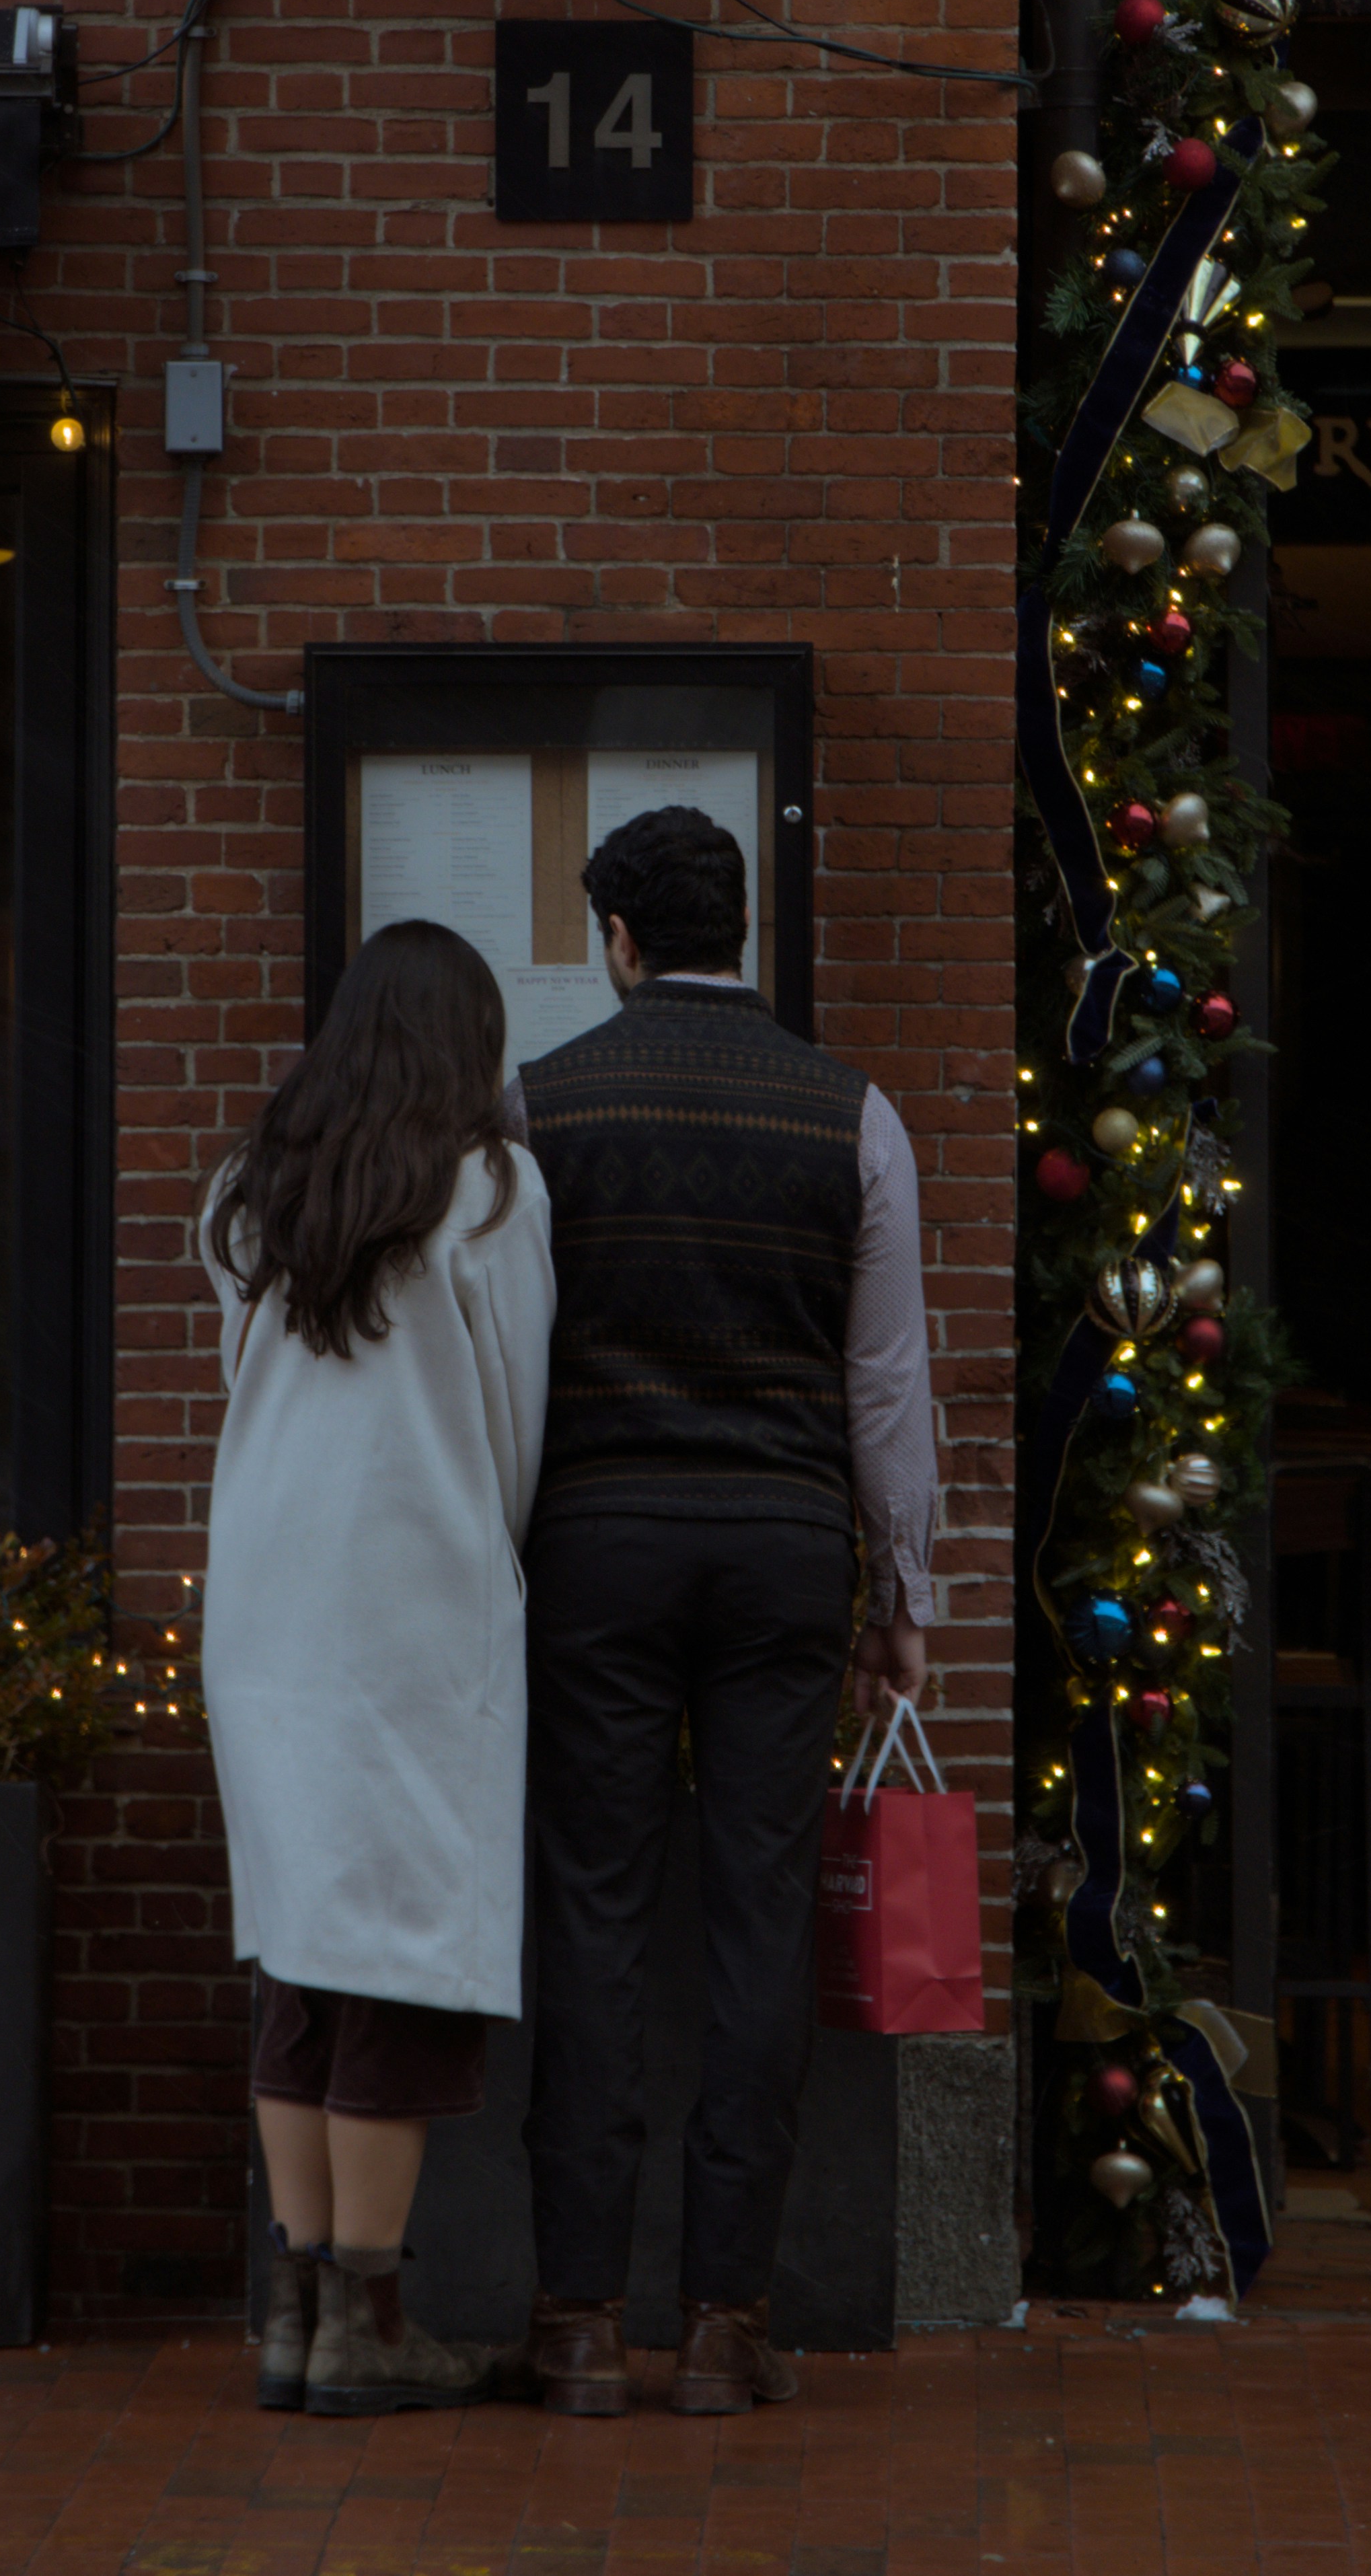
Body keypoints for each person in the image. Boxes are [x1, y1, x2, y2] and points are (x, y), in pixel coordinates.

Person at [503, 803, 937, 2418]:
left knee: (593, 1912)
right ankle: (726, 2324)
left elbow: (504, 1357)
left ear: (619, 940)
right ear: (738, 928)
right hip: (782, 1552)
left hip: (598, 1547)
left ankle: (574, 2318)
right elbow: (884, 1383)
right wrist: (904, 1592)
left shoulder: (537, 1107)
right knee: (762, 1917)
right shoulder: (856, 1116)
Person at [198, 916, 556, 2420]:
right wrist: (490, 1541)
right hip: (415, 1595)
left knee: (299, 1951)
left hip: (265, 1597)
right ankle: (371, 2319)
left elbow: (240, 1374)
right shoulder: (489, 1188)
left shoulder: (253, 1186)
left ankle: (294, 2313)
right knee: (402, 1955)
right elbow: (515, 1410)